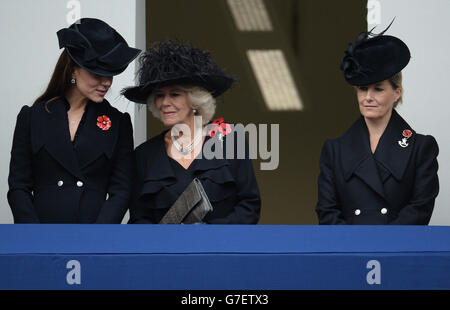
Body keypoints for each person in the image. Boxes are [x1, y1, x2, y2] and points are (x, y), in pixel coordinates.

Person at [8, 18, 141, 223]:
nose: (106, 82)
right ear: (72, 70)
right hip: (41, 238)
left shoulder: (119, 122)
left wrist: (96, 238)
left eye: (110, 74)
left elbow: (121, 190)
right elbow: (19, 186)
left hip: (93, 240)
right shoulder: (32, 117)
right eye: (96, 73)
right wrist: (33, 237)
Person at [122, 40, 261, 224]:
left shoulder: (230, 140)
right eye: (159, 95)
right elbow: (139, 219)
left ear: (195, 100)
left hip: (222, 250)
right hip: (167, 252)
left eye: (175, 94)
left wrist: (209, 235)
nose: (164, 103)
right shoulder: (144, 155)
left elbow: (249, 206)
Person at [315, 24, 439, 225]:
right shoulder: (334, 150)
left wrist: (383, 245)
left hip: (397, 251)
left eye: (378, 89)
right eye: (362, 89)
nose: (368, 97)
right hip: (350, 251)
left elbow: (420, 209)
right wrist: (355, 247)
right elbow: (327, 211)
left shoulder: (421, 148)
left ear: (396, 93)